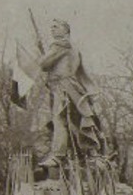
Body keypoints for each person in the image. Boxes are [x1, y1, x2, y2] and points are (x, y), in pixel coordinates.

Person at [33, 18, 105, 169]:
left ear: (65, 30)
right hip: (75, 87)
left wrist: (41, 51)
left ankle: (58, 156)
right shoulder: (74, 47)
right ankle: (92, 155)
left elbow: (43, 64)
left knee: (59, 120)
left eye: (56, 27)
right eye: (51, 27)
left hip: (63, 87)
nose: (52, 29)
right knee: (80, 121)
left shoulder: (60, 44)